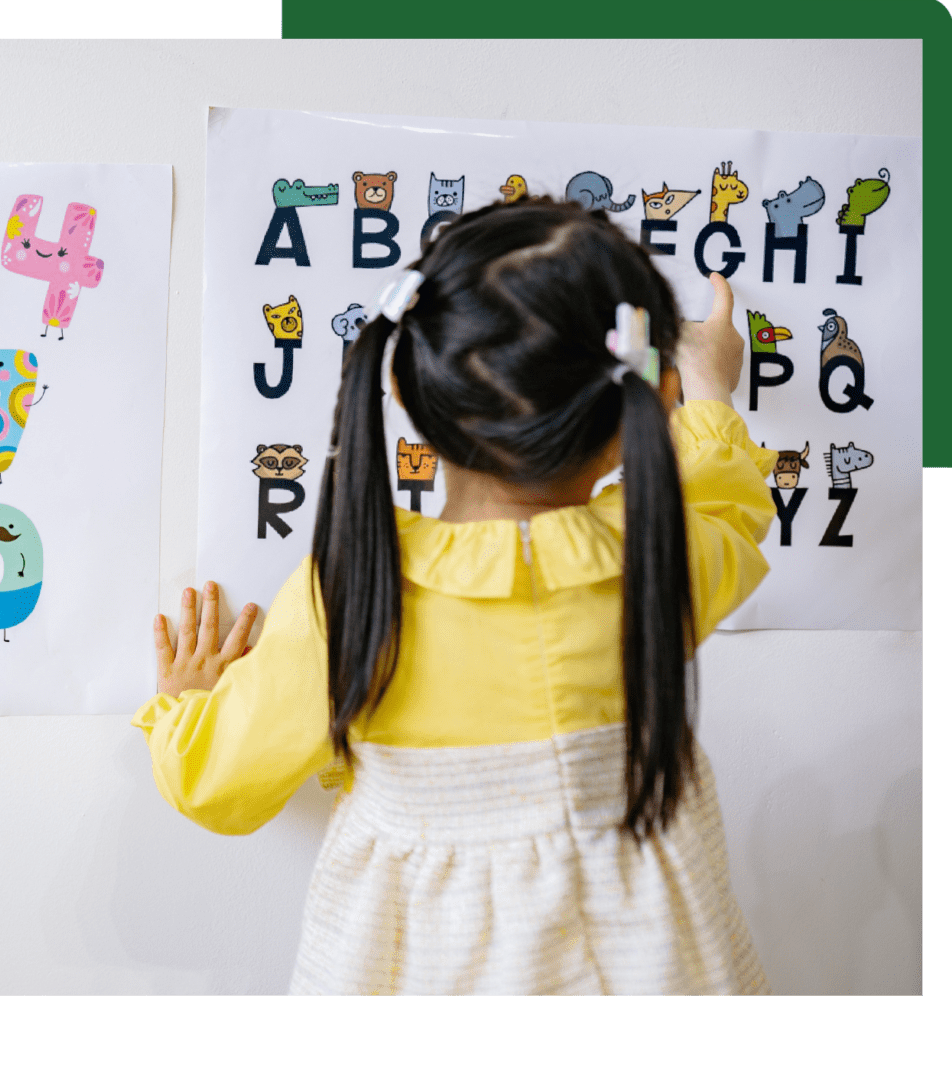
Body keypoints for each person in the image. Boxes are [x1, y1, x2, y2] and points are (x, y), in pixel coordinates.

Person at [133, 198, 777, 995]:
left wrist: (185, 708)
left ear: (403, 391)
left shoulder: (352, 590)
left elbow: (217, 784)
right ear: (645, 402)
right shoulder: (660, 554)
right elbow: (727, 507)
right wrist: (709, 396)